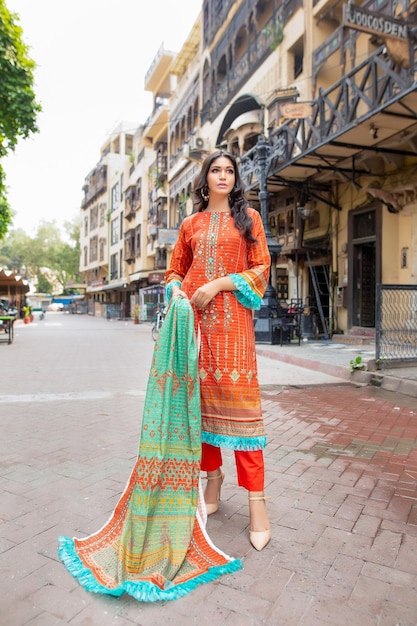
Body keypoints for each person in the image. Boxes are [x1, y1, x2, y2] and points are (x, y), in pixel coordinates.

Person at [165, 150, 272, 551]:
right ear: (206, 177)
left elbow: (261, 267)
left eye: (230, 171)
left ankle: (257, 504)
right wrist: (178, 288)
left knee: (246, 415)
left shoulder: (249, 220)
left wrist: (220, 284)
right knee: (201, 407)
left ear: (235, 178)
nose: (223, 176)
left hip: (234, 331)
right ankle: (213, 481)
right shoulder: (190, 223)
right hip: (195, 328)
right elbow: (176, 270)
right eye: (216, 170)